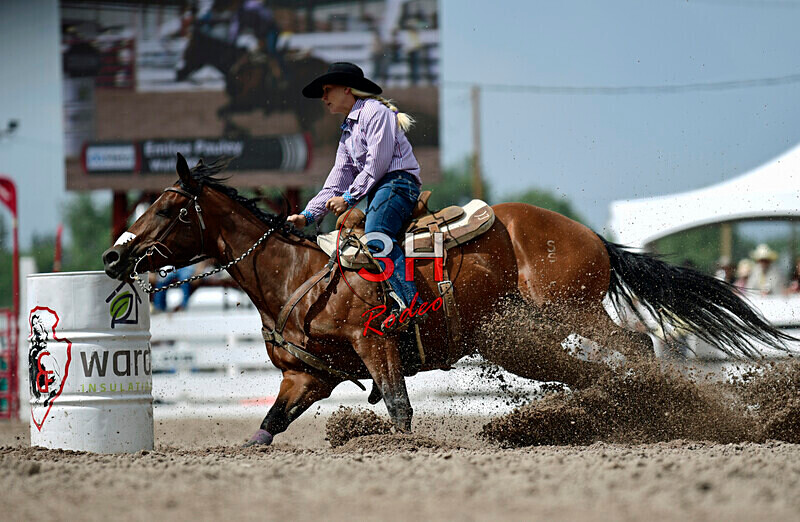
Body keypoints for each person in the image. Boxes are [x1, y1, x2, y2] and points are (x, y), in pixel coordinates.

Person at [287, 62, 421, 328]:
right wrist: (307, 214)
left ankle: (411, 304)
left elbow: (377, 164)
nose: (323, 97)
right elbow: (337, 179)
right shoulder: (348, 130)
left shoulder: (375, 112)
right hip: (382, 188)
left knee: (376, 234)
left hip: (398, 183)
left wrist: (349, 199)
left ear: (347, 89)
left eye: (327, 90)